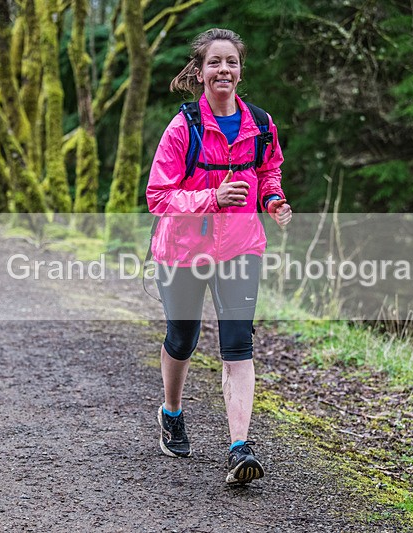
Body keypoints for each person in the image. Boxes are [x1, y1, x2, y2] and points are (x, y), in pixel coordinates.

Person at [145, 28, 292, 485]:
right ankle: (171, 412)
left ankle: (239, 447)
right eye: (215, 62)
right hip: (183, 250)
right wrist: (212, 197)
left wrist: (273, 200)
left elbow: (268, 172)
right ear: (201, 71)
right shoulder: (183, 126)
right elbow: (158, 196)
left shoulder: (261, 124)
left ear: (240, 71)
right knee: (183, 339)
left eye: (231, 62)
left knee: (237, 345)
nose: (223, 69)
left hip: (240, 247)